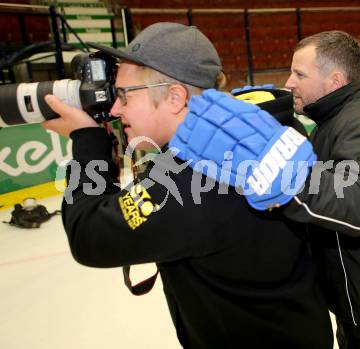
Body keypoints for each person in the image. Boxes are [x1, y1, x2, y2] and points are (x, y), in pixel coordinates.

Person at [41, 22, 333, 349]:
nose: (114, 109)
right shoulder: (261, 127)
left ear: (175, 97)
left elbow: (90, 235)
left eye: (123, 95)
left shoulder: (188, 179)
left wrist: (88, 143)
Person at [172, 31, 360, 348]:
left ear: (334, 80)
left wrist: (280, 176)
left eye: (299, 74)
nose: (289, 83)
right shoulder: (331, 123)